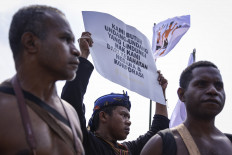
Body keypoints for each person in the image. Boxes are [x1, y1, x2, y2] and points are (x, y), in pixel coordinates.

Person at [61, 32, 170, 155]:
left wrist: (160, 93)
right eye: (123, 115)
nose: (129, 121)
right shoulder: (85, 142)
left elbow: (159, 132)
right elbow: (71, 102)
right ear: (103, 116)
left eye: (128, 117)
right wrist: (83, 55)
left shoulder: (128, 150)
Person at [0, 5, 85, 155]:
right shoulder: (3, 108)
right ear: (31, 43)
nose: (76, 50)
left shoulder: (71, 113)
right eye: (66, 39)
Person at [141, 61, 232, 155]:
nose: (213, 90)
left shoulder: (229, 143)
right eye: (202, 84)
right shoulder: (160, 144)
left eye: (219, 86)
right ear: (182, 94)